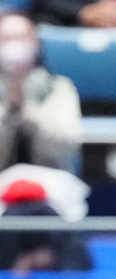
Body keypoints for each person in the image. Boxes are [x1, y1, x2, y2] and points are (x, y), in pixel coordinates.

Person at [0, 11, 81, 172]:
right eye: (6, 39)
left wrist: (29, 109)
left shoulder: (58, 88)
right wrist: (9, 106)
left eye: (21, 38)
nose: (14, 46)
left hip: (49, 179)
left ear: (36, 43)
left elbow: (66, 143)